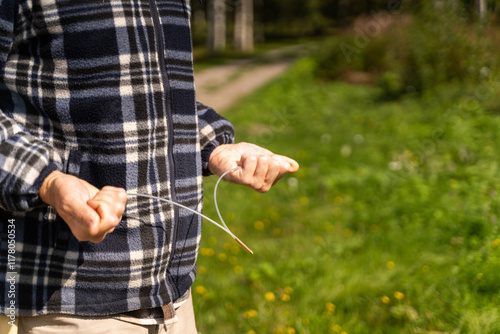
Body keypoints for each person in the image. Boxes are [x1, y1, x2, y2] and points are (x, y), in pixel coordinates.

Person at [0, 1, 298, 333]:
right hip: (63, 302)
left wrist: (215, 147)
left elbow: (152, 96)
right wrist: (46, 180)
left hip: (175, 300)